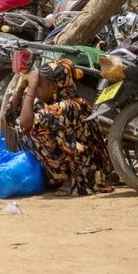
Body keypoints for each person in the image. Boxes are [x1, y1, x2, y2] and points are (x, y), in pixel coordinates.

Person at [15, 59, 114, 196]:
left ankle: (65, 179)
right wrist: (21, 87)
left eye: (39, 85)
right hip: (68, 161)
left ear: (54, 87)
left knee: (32, 129)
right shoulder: (49, 103)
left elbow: (25, 123)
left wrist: (31, 89)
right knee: (21, 125)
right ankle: (51, 177)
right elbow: (11, 117)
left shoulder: (70, 106)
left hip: (84, 168)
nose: (36, 89)